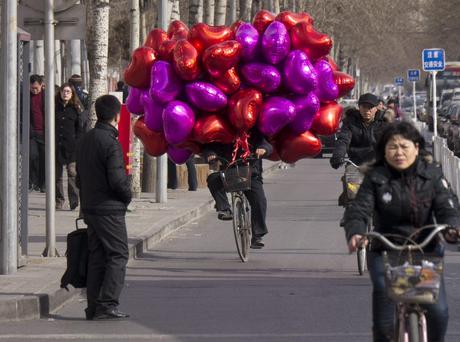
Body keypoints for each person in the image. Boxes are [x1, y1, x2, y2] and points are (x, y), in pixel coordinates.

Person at [344, 121, 460, 342]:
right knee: (384, 315)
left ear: (416, 148)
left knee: (438, 312)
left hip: (426, 250)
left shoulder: (432, 175)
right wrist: (356, 233)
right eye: (392, 147)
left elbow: (447, 204)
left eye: (404, 146)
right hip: (385, 249)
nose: (399, 153)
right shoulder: (375, 178)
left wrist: (453, 227)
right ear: (384, 151)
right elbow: (359, 209)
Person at [76, 95, 132, 320]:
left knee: (98, 255)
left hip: (90, 206)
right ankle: (107, 303)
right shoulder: (111, 143)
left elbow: (79, 178)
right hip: (109, 208)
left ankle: (93, 306)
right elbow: (118, 181)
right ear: (117, 115)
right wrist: (127, 196)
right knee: (118, 254)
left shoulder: (86, 139)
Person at [204, 129, 272, 249]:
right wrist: (210, 154)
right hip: (228, 172)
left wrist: (263, 149)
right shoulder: (222, 130)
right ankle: (224, 209)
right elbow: (210, 147)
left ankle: (257, 236)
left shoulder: (254, 132)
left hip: (251, 175)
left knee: (259, 201)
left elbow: (266, 144)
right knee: (213, 179)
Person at [330, 93, 390, 169]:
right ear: (359, 107)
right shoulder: (350, 122)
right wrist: (338, 156)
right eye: (364, 107)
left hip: (378, 164)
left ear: (376, 108)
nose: (367, 110)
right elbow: (343, 140)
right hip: (355, 163)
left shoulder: (384, 123)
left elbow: (391, 142)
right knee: (351, 179)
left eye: (370, 107)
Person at [55, 83, 83, 210]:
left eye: (68, 91)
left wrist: (77, 144)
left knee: (72, 173)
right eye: (63, 91)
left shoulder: (76, 109)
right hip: (56, 146)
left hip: (72, 147)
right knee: (57, 175)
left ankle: (73, 201)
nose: (65, 93)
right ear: (60, 93)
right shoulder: (55, 107)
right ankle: (59, 200)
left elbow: (80, 129)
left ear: (72, 94)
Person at [29, 74, 46, 192]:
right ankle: (33, 182)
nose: (34, 90)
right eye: (32, 88)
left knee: (44, 159)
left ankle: (43, 184)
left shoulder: (46, 96)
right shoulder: (26, 96)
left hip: (44, 132)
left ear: (41, 85)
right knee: (33, 156)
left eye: (36, 88)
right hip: (32, 132)